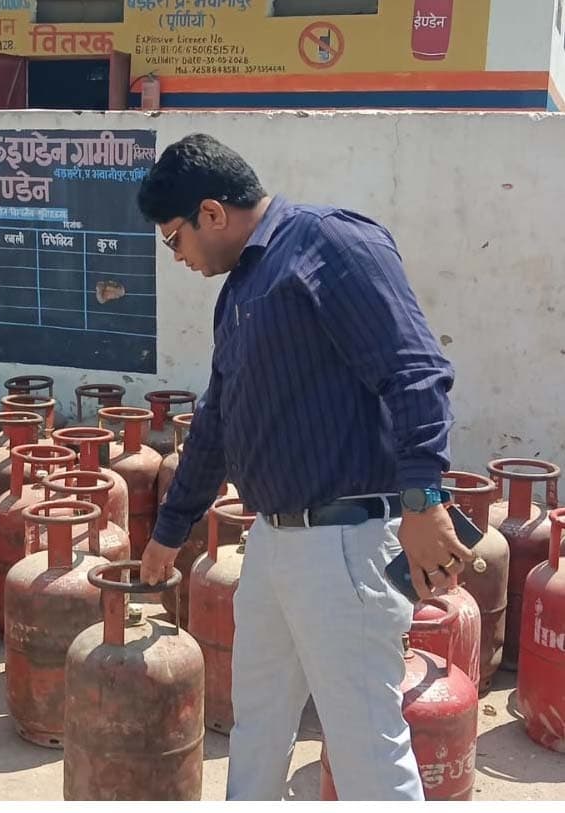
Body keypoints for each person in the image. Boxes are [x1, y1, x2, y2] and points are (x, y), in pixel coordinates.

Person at [137, 134, 471, 801]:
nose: (176, 257)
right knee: (256, 723)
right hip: (273, 542)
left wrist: (424, 499)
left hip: (344, 547)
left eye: (174, 238)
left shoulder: (330, 244)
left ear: (211, 213)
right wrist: (169, 530)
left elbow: (414, 371)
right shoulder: (241, 289)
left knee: (365, 746)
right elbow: (217, 420)